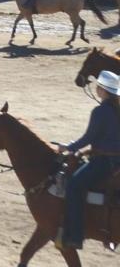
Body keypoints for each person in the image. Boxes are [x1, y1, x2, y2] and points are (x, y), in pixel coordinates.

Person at [57, 69, 120, 251]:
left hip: (105, 162)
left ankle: (75, 236)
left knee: (74, 185)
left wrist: (68, 148)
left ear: (102, 90)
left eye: (98, 87)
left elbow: (89, 138)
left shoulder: (100, 111)